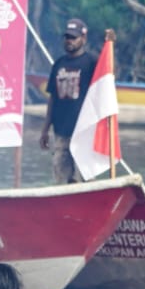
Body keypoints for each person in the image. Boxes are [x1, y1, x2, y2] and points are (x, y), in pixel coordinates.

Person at [39, 18, 97, 184]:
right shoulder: (58, 64)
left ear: (83, 39)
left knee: (83, 178)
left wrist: (110, 45)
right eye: (67, 37)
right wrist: (45, 130)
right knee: (61, 178)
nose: (69, 41)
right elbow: (53, 98)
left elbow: (108, 75)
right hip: (61, 133)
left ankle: (89, 207)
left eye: (73, 37)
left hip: (84, 131)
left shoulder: (91, 62)